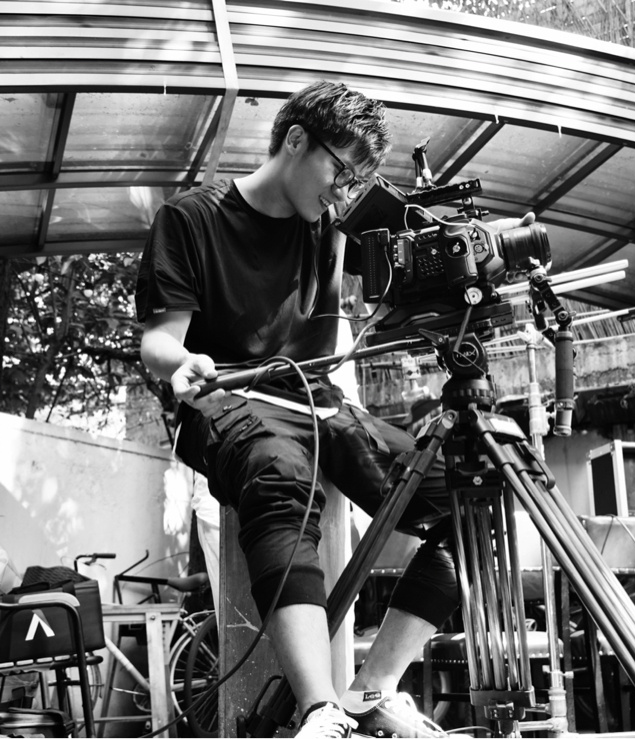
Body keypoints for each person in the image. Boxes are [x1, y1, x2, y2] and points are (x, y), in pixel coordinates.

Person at [136, 79, 534, 738]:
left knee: (475, 495)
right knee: (279, 470)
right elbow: (157, 341)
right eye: (341, 172)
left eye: (356, 182)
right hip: (227, 398)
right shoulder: (191, 218)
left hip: (317, 404)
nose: (344, 193)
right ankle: (321, 710)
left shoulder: (331, 227)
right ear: (296, 140)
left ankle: (373, 688)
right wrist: (182, 362)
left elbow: (351, 328)